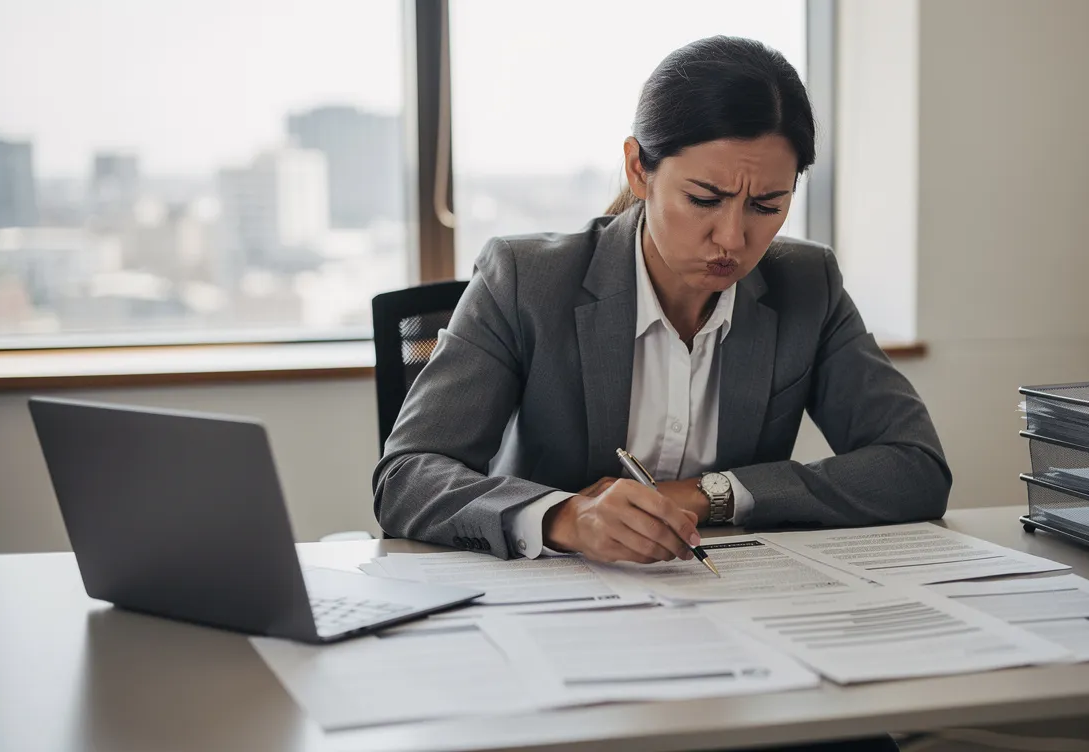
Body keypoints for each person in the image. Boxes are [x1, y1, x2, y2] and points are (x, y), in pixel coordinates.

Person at [374, 35, 951, 566]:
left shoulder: (808, 284)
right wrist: (565, 517)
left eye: (766, 206)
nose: (733, 238)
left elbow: (916, 466)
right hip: (555, 602)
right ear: (639, 169)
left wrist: (708, 494)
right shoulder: (524, 280)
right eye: (704, 198)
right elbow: (407, 477)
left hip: (736, 599)